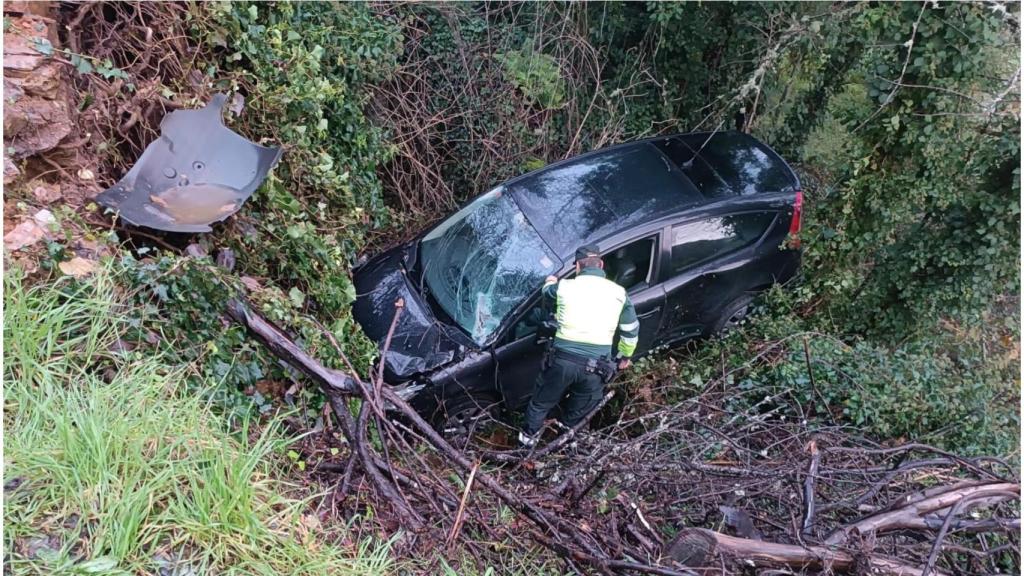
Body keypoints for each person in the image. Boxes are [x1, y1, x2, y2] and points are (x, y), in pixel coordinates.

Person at [518, 244, 640, 447]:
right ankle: (565, 452)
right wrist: (624, 358)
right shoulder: (620, 293)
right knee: (576, 416)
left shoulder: (565, 287)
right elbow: (631, 330)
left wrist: (550, 281)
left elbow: (547, 293)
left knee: (540, 405)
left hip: (562, 363)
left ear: (577, 267)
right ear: (600, 265)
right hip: (597, 368)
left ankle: (523, 450)